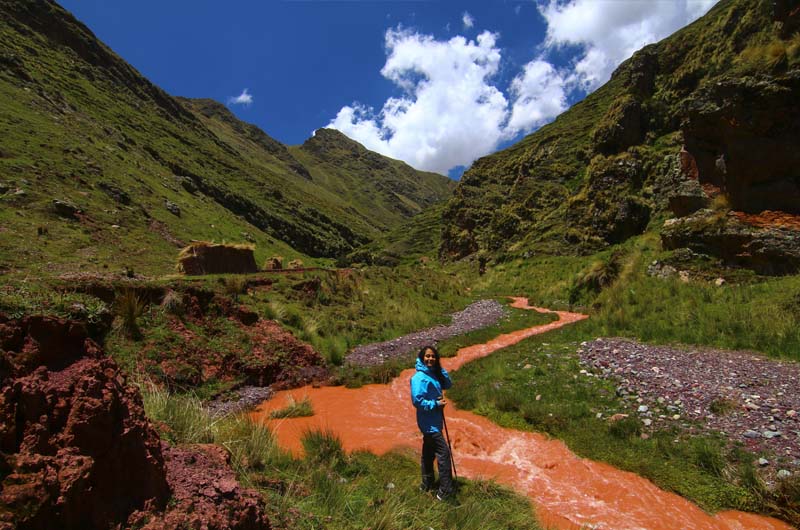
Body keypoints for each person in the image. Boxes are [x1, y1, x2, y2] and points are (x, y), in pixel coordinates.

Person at [410, 345, 454, 500]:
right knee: (444, 453)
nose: (430, 359)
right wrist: (435, 404)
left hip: (433, 421)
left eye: (433, 356)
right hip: (429, 423)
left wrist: (439, 369)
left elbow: (448, 384)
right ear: (422, 357)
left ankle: (427, 483)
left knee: (428, 453)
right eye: (427, 356)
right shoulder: (419, 378)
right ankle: (445, 491)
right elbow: (417, 401)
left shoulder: (432, 374)